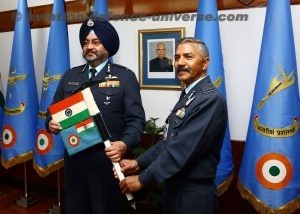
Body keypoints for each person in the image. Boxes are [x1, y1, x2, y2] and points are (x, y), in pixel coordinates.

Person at [46, 17, 145, 214]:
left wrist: (124, 144)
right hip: (74, 162)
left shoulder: (125, 77)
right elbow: (51, 113)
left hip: (106, 163)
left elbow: (136, 121)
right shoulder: (70, 76)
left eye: (95, 42)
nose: (89, 47)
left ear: (107, 46)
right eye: (85, 42)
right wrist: (51, 124)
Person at [118, 37, 228, 214]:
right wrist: (138, 163)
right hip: (174, 191)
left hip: (193, 197)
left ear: (205, 63)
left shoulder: (209, 99)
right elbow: (167, 142)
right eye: (177, 58)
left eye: (188, 57)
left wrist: (142, 179)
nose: (180, 63)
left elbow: (181, 150)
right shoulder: (189, 96)